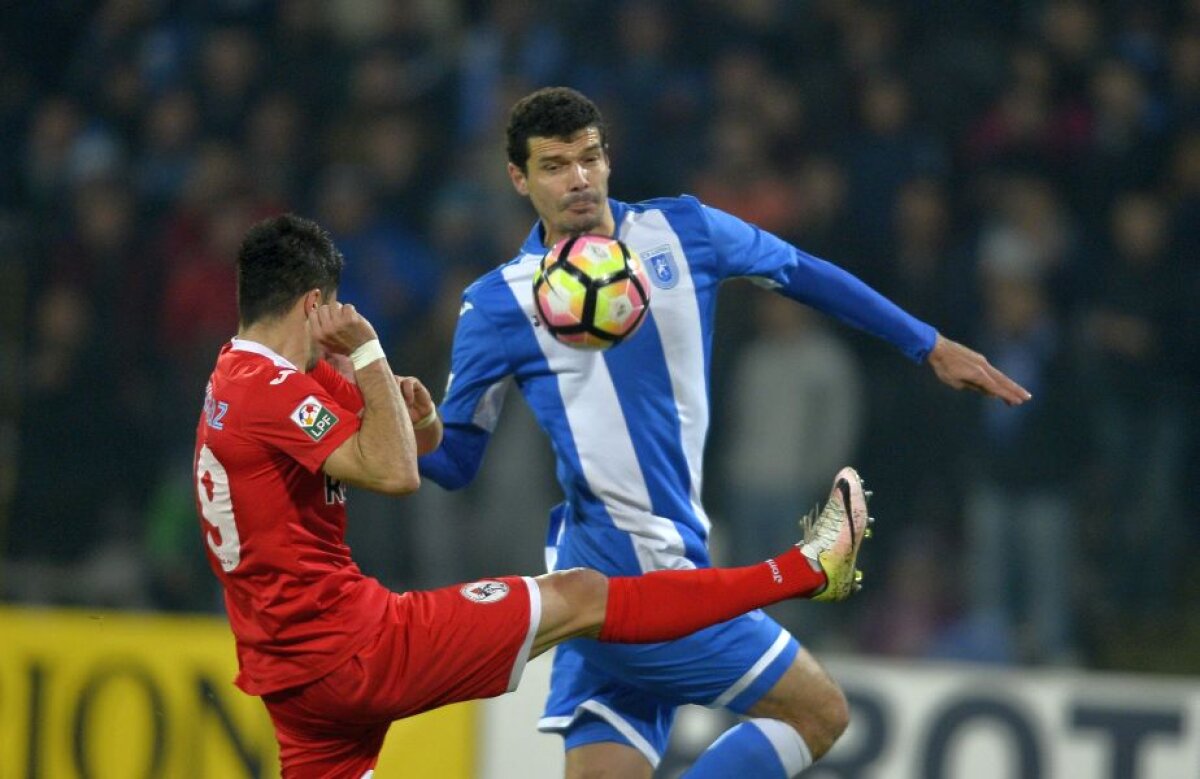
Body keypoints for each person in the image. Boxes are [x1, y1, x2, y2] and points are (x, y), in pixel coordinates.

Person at [418, 87, 1032, 778]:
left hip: (620, 579)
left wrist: (927, 344)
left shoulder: (683, 231)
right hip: (636, 579)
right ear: (518, 179)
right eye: (556, 165)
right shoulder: (498, 302)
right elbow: (456, 460)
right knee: (818, 711)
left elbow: (804, 273)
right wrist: (414, 431)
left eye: (590, 158)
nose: (580, 179)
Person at [195, 213, 874, 779]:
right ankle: (805, 568)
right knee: (582, 593)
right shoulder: (272, 390)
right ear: (315, 305)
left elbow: (417, 442)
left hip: (291, 680)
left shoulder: (237, 380)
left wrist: (412, 409)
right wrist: (369, 351)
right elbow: (397, 474)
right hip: (354, 646)